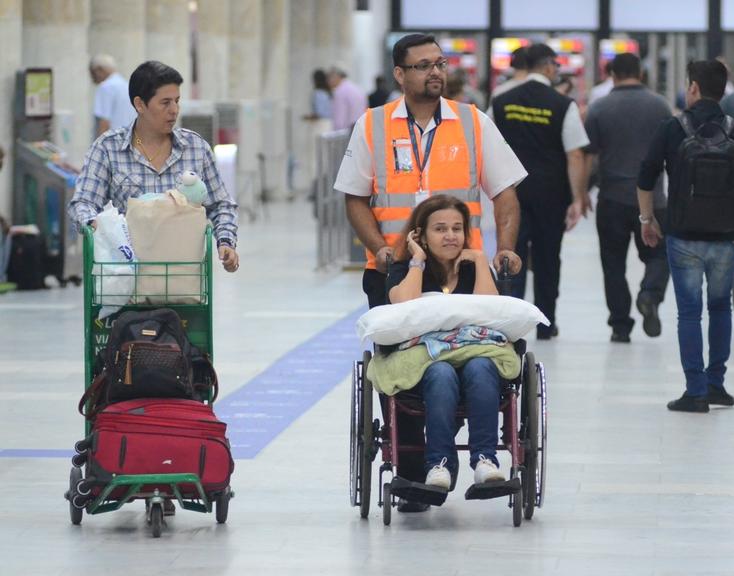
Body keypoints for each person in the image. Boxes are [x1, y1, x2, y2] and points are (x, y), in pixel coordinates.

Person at [334, 33, 526, 511]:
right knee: (401, 365)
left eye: (439, 64)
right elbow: (355, 197)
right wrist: (379, 249)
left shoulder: (472, 123)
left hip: (464, 275)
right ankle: (414, 468)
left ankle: (456, 452)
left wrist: (504, 248)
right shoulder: (373, 125)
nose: (434, 73)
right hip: (395, 270)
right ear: (400, 74)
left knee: (467, 359)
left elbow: (505, 192)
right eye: (422, 66)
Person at [68, 60, 239, 273]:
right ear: (140, 105)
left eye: (177, 101)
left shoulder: (195, 148)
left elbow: (221, 204)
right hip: (128, 277)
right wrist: (97, 226)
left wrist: (226, 241)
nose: (174, 110)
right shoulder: (107, 148)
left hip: (183, 278)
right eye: (165, 102)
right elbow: (82, 203)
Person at [386, 194, 505, 488]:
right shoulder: (405, 267)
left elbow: (491, 311)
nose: (450, 236)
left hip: (474, 355)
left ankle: (484, 460)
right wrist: (417, 261)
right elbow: (402, 306)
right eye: (440, 229)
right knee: (441, 372)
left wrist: (479, 259)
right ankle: (439, 464)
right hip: (426, 361)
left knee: (481, 366)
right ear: (421, 235)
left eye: (457, 228)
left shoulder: (472, 267)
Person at [637, 59, 734, 413]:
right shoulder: (732, 127)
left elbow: (646, 176)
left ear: (692, 87)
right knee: (722, 307)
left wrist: (647, 219)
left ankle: (694, 392)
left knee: (689, 313)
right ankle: (717, 385)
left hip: (683, 235)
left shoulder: (672, 127)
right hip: (726, 235)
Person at [492, 43, 590, 339]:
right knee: (548, 257)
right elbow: (575, 154)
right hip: (551, 192)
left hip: (511, 191)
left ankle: (511, 320)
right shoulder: (562, 104)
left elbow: (487, 143)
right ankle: (546, 321)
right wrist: (577, 198)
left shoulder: (501, 100)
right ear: (548, 67)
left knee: (510, 252)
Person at [584, 53, 671, 343]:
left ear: (612, 75)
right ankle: (650, 293)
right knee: (659, 255)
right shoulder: (660, 105)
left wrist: (581, 193)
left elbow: (590, 157)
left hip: (612, 198)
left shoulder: (599, 107)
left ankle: (620, 326)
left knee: (613, 263)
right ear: (641, 74)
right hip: (654, 199)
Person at [89, 54, 137, 137]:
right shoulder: (126, 85)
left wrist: (99, 147)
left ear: (99, 70)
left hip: (111, 143)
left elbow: (104, 122)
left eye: (92, 73)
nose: (92, 79)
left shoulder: (106, 87)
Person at [327, 64, 368, 131]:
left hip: (346, 133)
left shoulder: (339, 91)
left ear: (336, 76)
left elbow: (339, 120)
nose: (328, 81)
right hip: (360, 130)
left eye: (329, 77)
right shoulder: (357, 89)